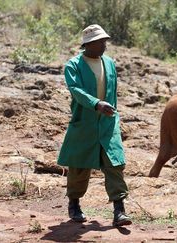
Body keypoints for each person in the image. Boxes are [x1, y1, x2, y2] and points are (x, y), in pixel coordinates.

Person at [57, 24, 131, 227]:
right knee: (79, 166)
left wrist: (111, 113)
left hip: (108, 123)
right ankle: (74, 204)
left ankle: (119, 210)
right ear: (88, 44)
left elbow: (113, 92)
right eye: (100, 42)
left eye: (105, 41)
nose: (104, 45)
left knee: (114, 163)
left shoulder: (109, 63)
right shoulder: (73, 65)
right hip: (85, 123)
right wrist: (96, 104)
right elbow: (76, 91)